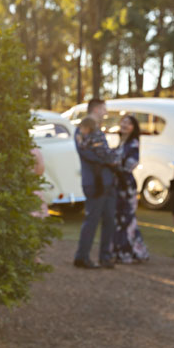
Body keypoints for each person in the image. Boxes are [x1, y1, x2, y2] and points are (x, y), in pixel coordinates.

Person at [73, 98, 119, 269]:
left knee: (109, 219)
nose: (105, 113)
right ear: (97, 109)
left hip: (104, 180)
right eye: (104, 109)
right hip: (96, 181)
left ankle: (104, 256)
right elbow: (97, 154)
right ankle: (82, 256)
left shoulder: (86, 129)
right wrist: (113, 159)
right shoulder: (86, 129)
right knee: (92, 219)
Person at [112, 115, 149, 263]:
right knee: (118, 218)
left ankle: (131, 252)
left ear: (134, 128)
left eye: (129, 123)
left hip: (126, 185)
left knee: (127, 218)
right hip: (117, 185)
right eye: (123, 122)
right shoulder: (121, 143)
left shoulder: (133, 144)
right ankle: (119, 250)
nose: (124, 125)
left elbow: (131, 163)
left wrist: (116, 166)